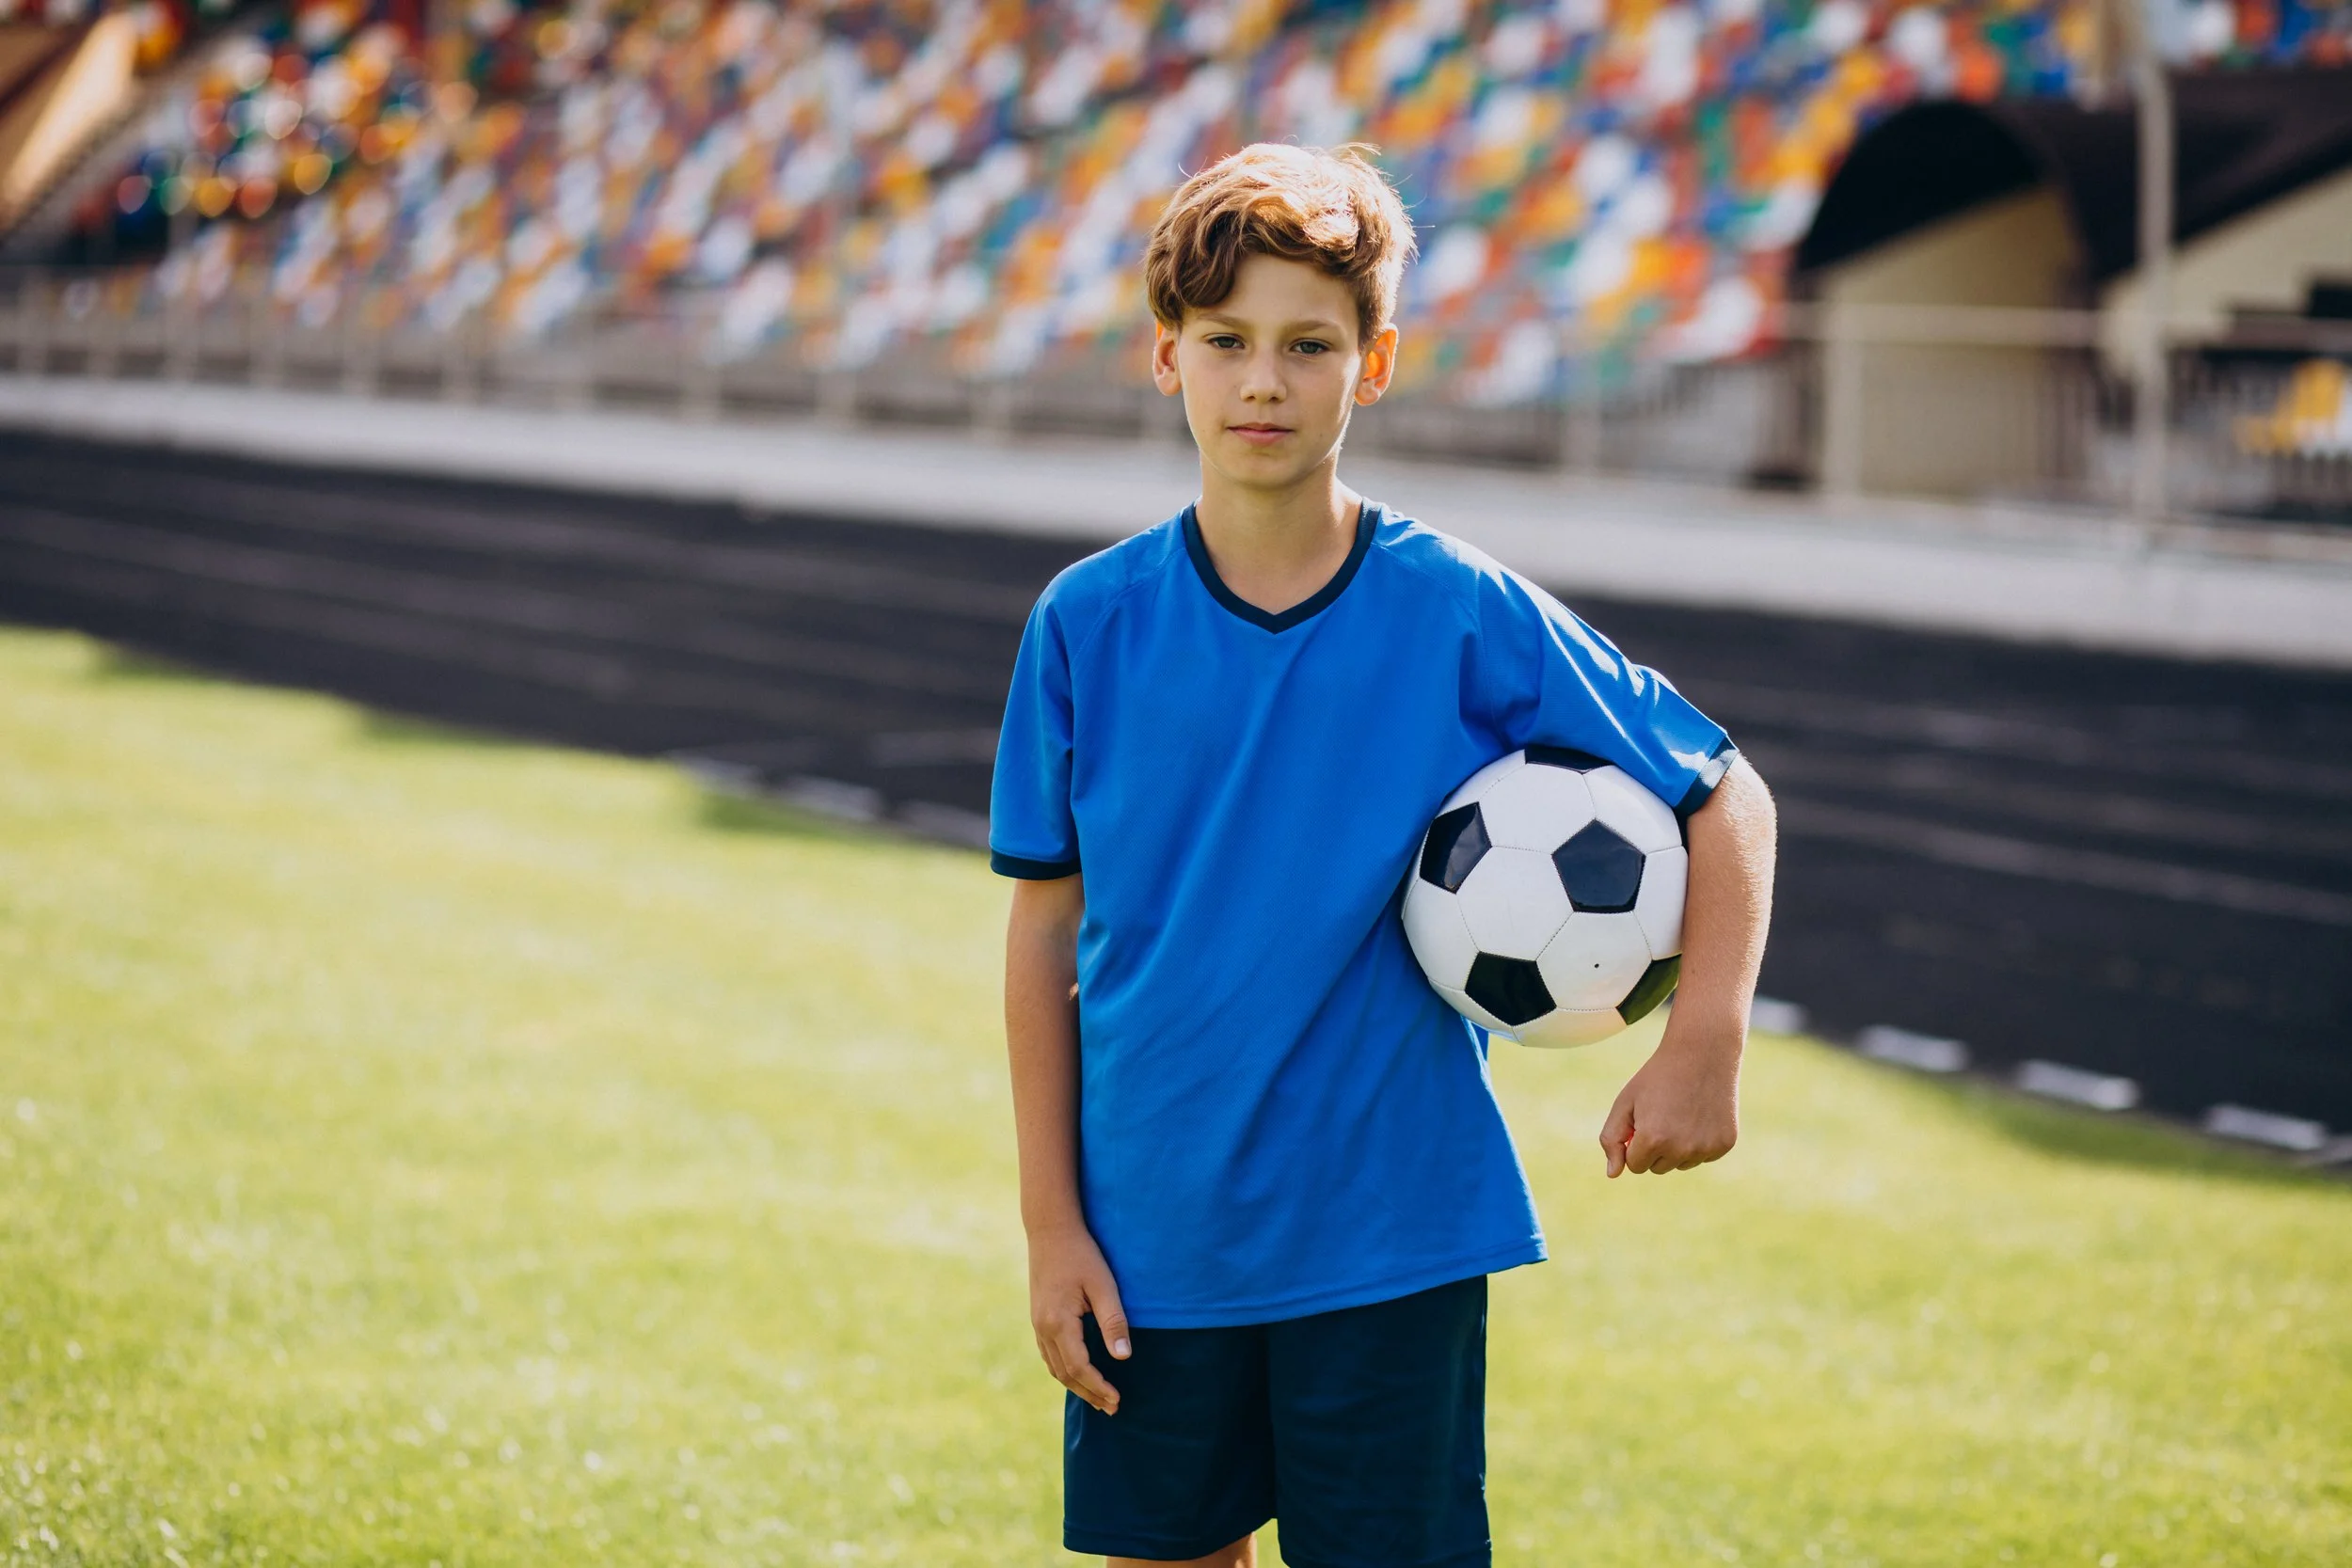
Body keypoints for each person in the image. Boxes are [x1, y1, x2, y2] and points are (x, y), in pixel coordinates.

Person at [991, 142, 1778, 1568]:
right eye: (1226, 343)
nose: (1266, 382)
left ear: (1378, 361)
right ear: (1168, 358)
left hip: (1389, 1237)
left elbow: (1724, 792)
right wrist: (1054, 1224)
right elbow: (1047, 936)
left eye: (1310, 344)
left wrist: (1705, 1035)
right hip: (1154, 1238)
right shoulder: (1085, 625)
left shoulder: (1456, 610)